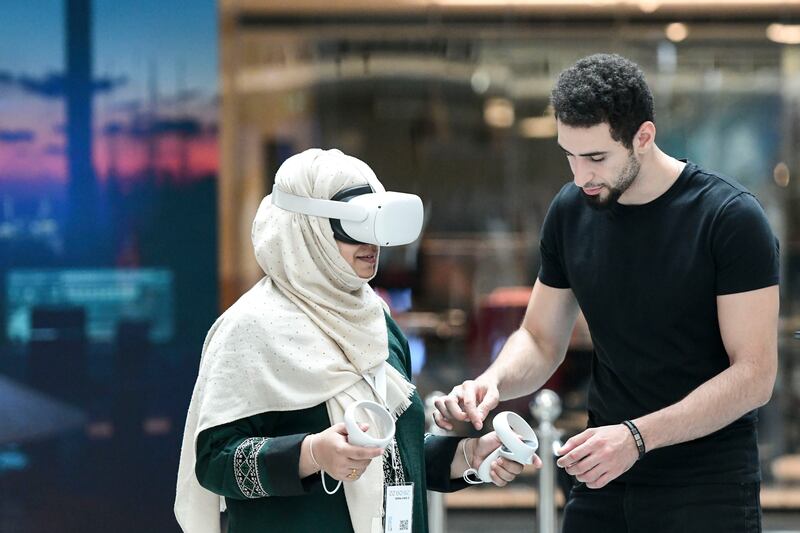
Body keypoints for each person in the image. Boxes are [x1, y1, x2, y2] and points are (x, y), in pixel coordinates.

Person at [433, 54, 779, 532]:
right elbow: (539, 338)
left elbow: (755, 375)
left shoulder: (730, 219)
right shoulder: (572, 211)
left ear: (643, 137)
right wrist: (493, 384)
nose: (581, 176)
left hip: (707, 486)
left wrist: (636, 438)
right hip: (601, 477)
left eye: (596, 157)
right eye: (569, 155)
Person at [175, 148, 533, 533]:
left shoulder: (375, 319)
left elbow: (392, 451)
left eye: (375, 222)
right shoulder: (249, 328)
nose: (371, 243)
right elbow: (214, 463)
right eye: (351, 225)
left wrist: (467, 455)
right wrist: (311, 454)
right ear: (306, 230)